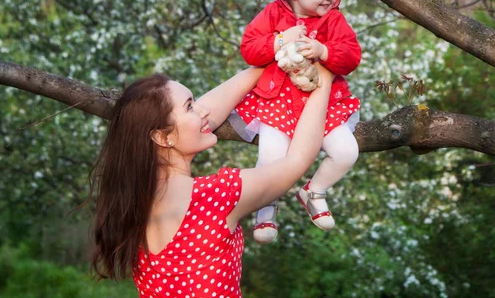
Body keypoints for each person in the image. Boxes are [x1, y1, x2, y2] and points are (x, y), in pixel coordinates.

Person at [87, 63, 334, 297]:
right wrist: (323, 77)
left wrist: (269, 60)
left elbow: (194, 120)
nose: (203, 109)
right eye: (190, 106)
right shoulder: (214, 198)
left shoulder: (133, 204)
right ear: (162, 137)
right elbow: (297, 160)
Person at [231, 0, 362, 244]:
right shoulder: (272, 15)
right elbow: (249, 49)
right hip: (278, 102)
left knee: (346, 152)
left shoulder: (334, 20)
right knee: (271, 156)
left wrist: (324, 50)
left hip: (321, 106)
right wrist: (279, 40)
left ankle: (313, 191)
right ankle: (265, 207)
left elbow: (352, 55)